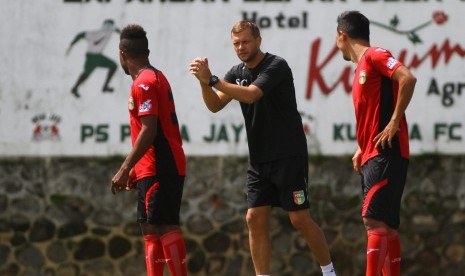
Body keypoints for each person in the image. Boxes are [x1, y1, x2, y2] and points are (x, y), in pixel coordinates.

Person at [189, 20, 336, 276]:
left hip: (288, 155)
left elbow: (252, 94)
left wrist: (212, 79)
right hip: (259, 159)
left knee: (299, 219)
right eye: (236, 43)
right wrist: (204, 82)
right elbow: (215, 105)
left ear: (258, 40)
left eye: (245, 41)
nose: (241, 47)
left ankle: (329, 272)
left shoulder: (276, 65)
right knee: (253, 218)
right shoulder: (236, 72)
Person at [335, 11, 416, 276]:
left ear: (342, 36)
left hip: (385, 152)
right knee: (387, 226)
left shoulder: (375, 55)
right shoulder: (361, 68)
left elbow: (408, 77)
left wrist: (394, 122)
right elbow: (374, 112)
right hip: (374, 152)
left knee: (373, 220)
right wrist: (362, 146)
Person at [111, 24, 187, 276]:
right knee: (149, 229)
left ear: (122, 54)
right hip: (153, 166)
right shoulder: (156, 77)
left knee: (163, 226)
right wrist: (137, 168)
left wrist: (125, 168)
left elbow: (149, 129)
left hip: (160, 165)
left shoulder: (143, 83)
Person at [66, 19, 120, 98]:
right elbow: (119, 31)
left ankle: (76, 88)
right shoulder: (110, 30)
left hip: (95, 56)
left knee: (112, 66)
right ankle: (75, 88)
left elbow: (80, 35)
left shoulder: (94, 33)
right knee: (87, 73)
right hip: (93, 56)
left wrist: (72, 43)